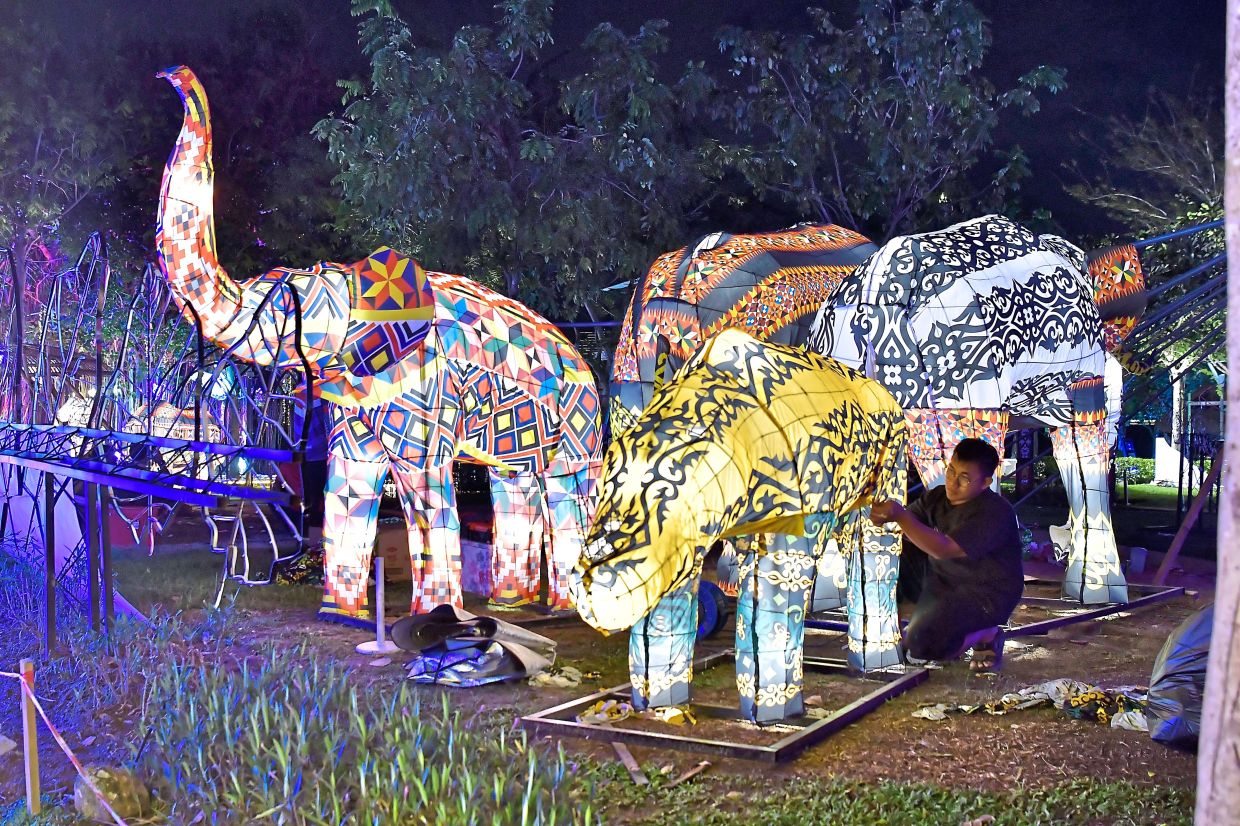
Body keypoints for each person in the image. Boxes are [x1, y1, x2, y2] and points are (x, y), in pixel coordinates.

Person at [870, 438, 1023, 673]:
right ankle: (896, 632)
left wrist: (899, 515)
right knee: (890, 555)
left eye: (964, 477)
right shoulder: (936, 497)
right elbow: (908, 530)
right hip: (942, 580)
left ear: (985, 482)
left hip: (984, 594)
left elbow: (943, 548)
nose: (952, 481)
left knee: (923, 647)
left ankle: (987, 633)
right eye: (951, 470)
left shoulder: (994, 512)